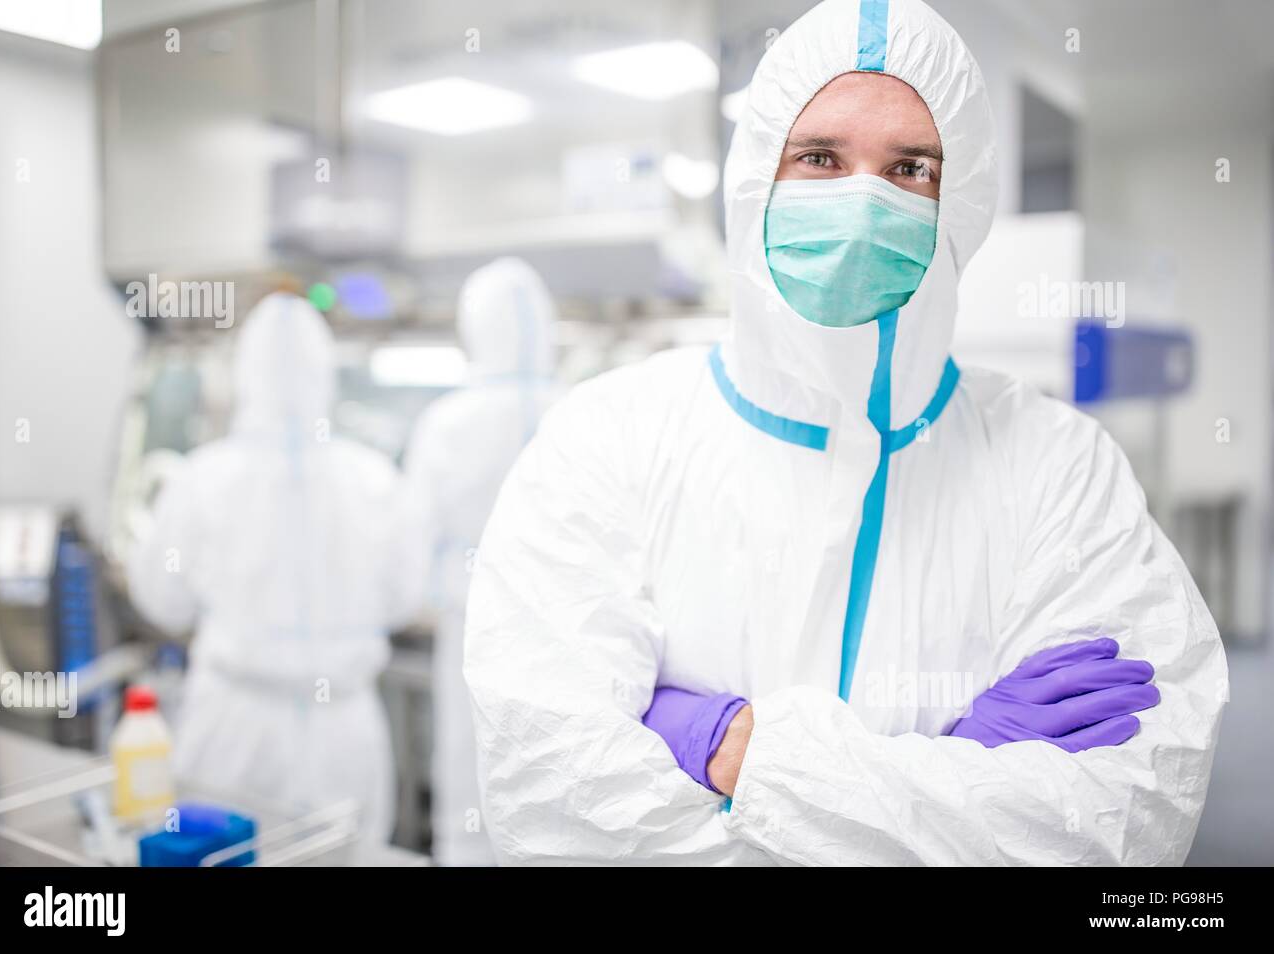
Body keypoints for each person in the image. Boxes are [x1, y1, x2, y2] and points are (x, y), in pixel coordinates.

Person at [463, 0, 1228, 865]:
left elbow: (1126, 821)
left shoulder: (1056, 463)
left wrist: (735, 752)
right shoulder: (606, 440)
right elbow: (552, 809)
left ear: (960, 201)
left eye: (910, 168)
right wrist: (963, 777)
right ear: (758, 177)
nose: (862, 203)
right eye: (820, 158)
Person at [128, 292, 419, 842]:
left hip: (234, 729)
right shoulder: (375, 480)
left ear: (246, 374)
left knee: (222, 854)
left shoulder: (203, 479)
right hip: (344, 731)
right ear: (325, 373)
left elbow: (162, 600)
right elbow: (404, 598)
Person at [402, 258, 562, 866]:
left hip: (473, 638)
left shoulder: (446, 424)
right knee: (565, 800)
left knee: (472, 794)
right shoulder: (579, 407)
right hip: (570, 638)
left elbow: (411, 546)